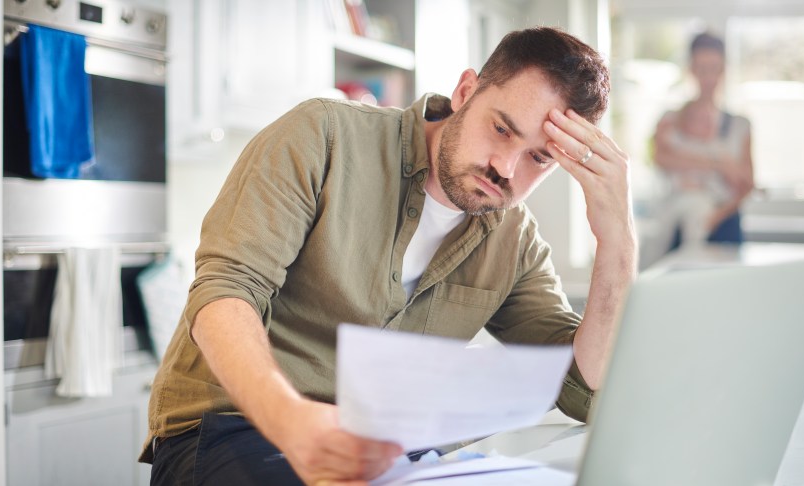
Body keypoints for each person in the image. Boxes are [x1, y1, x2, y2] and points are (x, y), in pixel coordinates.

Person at [142, 26, 636, 486]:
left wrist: (617, 242)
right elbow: (226, 290)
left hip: (395, 457)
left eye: (538, 158)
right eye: (502, 129)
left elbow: (581, 389)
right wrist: (289, 420)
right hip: (244, 426)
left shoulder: (514, 239)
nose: (505, 167)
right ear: (466, 92)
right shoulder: (324, 136)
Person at [652, 31, 754, 248]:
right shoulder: (670, 120)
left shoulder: (740, 125)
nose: (708, 77)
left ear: (724, 69)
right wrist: (719, 164)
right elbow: (660, 158)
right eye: (701, 68)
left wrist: (716, 216)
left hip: (725, 223)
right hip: (678, 222)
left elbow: (747, 182)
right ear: (691, 69)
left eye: (714, 68)